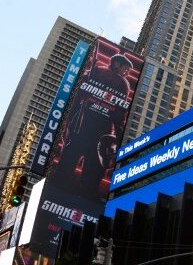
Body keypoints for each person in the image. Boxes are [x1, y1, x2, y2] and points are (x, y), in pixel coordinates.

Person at [51, 53, 134, 197]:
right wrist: (119, 135)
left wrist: (70, 118)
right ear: (116, 64)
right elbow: (119, 113)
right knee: (92, 172)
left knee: (68, 160)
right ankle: (84, 197)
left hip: (81, 125)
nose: (126, 73)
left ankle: (57, 187)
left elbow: (77, 96)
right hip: (100, 132)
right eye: (125, 68)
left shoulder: (95, 72)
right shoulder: (121, 82)